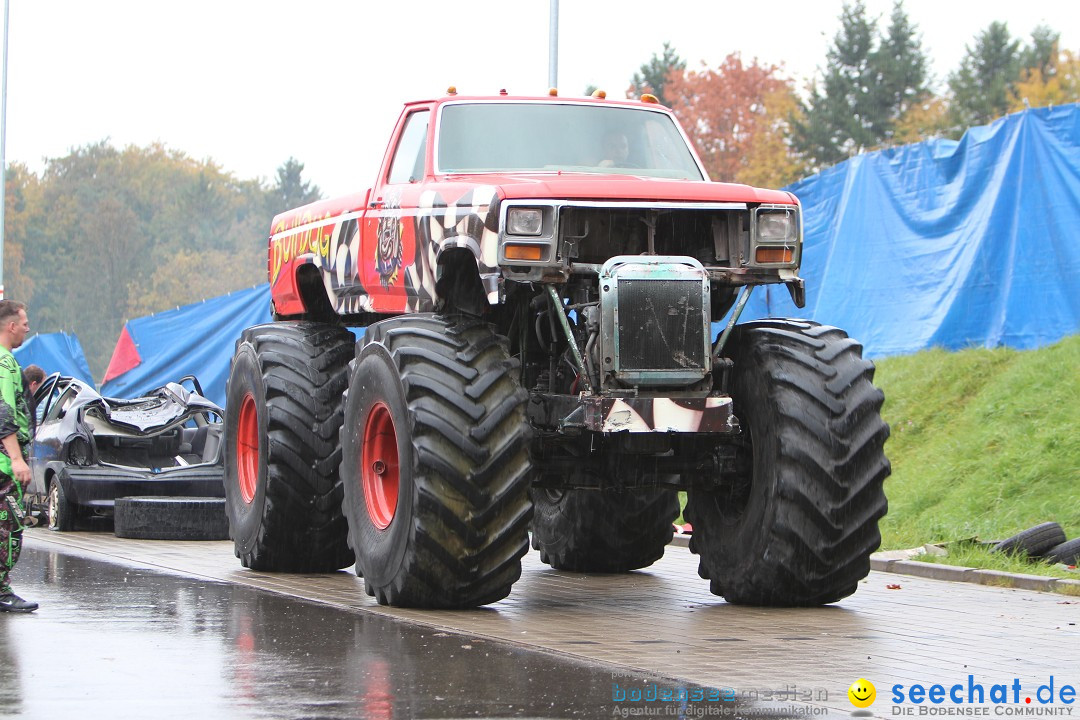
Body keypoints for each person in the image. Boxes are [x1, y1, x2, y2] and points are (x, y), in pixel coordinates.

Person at [0, 300, 37, 612]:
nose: (27, 327)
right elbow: (3, 411)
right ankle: (1, 589)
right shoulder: (4, 363)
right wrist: (15, 458)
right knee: (8, 525)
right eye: (24, 322)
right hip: (4, 464)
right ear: (10, 326)